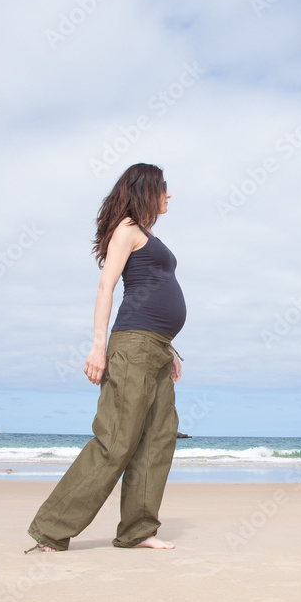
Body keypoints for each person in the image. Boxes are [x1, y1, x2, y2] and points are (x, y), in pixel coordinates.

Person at [25, 163, 186, 553]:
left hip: (155, 349)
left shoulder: (146, 235)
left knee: (157, 440)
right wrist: (98, 346)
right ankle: (50, 530)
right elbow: (105, 287)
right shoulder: (127, 230)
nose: (169, 195)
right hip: (131, 348)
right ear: (147, 189)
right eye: (164, 188)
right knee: (115, 441)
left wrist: (169, 346)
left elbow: (153, 291)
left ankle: (137, 530)